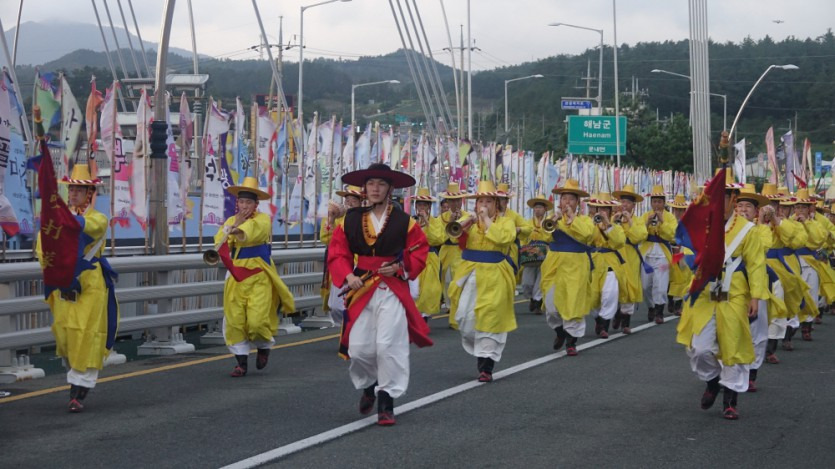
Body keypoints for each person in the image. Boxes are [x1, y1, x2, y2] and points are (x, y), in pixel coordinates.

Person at [327, 163, 431, 426]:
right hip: (360, 287)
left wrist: (400, 266)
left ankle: (387, 401)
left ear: (390, 189)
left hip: (391, 288)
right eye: (371, 183)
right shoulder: (349, 220)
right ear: (365, 188)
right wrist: (348, 276)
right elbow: (338, 252)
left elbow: (419, 251)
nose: (375, 188)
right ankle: (369, 383)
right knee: (360, 347)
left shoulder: (405, 222)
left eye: (381, 184)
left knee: (388, 345)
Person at [675, 171, 767, 420]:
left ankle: (730, 398)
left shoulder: (748, 230)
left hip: (734, 291)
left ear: (733, 200)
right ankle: (713, 381)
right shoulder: (702, 227)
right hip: (704, 292)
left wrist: (756, 297)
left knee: (733, 344)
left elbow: (757, 265)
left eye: (723, 197)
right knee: (699, 348)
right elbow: (688, 260)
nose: (717, 202)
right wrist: (686, 292)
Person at [38, 164, 119, 413]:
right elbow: (43, 247)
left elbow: (85, 227)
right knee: (65, 333)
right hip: (65, 281)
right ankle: (75, 381)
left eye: (78, 190)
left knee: (86, 333)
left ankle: (78, 392)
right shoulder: (58, 219)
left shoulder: (97, 218)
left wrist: (59, 218)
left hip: (89, 282)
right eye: (70, 189)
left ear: (89, 193)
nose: (72, 194)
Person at [216, 177, 295, 378]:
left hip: (259, 272)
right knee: (234, 319)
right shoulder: (230, 220)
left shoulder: (263, 219)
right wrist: (231, 228)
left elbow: (253, 233)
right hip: (236, 273)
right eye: (241, 202)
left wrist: (238, 229)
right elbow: (219, 242)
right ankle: (241, 362)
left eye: (248, 202)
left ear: (255, 204)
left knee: (257, 320)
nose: (244, 206)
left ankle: (263, 346)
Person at [448, 181, 518, 381]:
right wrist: (464, 225)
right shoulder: (468, 220)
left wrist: (487, 220)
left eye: (489, 201)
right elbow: (453, 237)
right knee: (464, 318)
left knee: (491, 317)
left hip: (496, 274)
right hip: (470, 273)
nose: (484, 205)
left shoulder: (505, 222)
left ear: (497, 204)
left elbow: (504, 239)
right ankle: (481, 351)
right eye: (481, 201)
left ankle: (486, 364)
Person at [735, 184, 785, 392]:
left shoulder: (760, 231)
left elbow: (765, 246)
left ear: (756, 212)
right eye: (740, 206)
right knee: (728, 331)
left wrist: (765, 223)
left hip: (756, 283)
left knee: (757, 331)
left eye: (748, 206)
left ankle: (751, 373)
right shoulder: (725, 229)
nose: (743, 210)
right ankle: (726, 374)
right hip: (731, 286)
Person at [541, 179, 594, 356]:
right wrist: (553, 220)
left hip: (576, 265)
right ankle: (560, 331)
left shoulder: (585, 220)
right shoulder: (554, 220)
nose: (567, 203)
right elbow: (543, 236)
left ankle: (572, 342)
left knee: (573, 303)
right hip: (555, 264)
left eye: (571, 199)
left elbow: (587, 235)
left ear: (577, 203)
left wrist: (573, 219)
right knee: (551, 304)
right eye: (564, 199)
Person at [761, 184, 806, 364]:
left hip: (783, 269)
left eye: (777, 205)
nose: (772, 209)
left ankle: (772, 347)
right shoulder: (752, 225)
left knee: (781, 308)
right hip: (757, 267)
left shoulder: (793, 225)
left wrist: (777, 222)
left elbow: (797, 242)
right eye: (768, 205)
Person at [791, 188, 832, 342]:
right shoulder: (789, 222)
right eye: (797, 207)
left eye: (803, 207)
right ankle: (790, 329)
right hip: (792, 262)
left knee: (812, 295)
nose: (799, 210)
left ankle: (807, 327)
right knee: (794, 295)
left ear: (809, 209)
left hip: (810, 263)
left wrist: (807, 225)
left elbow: (818, 240)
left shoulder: (816, 224)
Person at [320, 185, 363, 325]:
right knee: (336, 306)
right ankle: (347, 327)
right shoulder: (337, 218)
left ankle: (352, 330)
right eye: (347, 199)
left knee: (357, 301)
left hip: (358, 264)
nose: (349, 203)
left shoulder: (365, 219)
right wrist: (331, 219)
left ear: (360, 202)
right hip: (340, 264)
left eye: (353, 200)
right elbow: (325, 238)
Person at [587, 192, 627, 339]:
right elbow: (585, 238)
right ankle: (598, 319)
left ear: (610, 211)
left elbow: (619, 242)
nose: (602, 212)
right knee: (592, 297)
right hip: (593, 262)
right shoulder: (588, 223)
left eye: (605, 209)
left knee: (609, 294)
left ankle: (604, 325)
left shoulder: (615, 225)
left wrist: (608, 225)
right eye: (599, 209)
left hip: (610, 262)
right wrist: (593, 224)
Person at [612, 184, 647, 334]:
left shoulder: (637, 220)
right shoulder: (614, 217)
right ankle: (614, 313)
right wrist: (615, 220)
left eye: (628, 202)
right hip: (616, 254)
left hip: (631, 255)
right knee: (614, 286)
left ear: (633, 205)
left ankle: (625, 320)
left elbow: (640, 236)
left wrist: (629, 221)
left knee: (630, 285)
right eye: (622, 202)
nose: (624, 205)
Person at [640, 185, 678, 324]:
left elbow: (672, 235)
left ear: (664, 203)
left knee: (660, 285)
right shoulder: (645, 215)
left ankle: (659, 311)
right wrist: (647, 223)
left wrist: (662, 221)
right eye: (654, 201)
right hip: (647, 255)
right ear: (651, 203)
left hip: (662, 255)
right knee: (645, 285)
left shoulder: (670, 217)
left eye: (659, 202)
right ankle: (651, 306)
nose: (657, 204)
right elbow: (639, 235)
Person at [410, 187, 445, 323]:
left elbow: (438, 239)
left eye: (424, 205)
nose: (421, 207)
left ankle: (423, 316)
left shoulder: (436, 222)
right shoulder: (411, 222)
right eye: (419, 204)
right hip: (413, 258)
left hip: (430, 257)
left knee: (429, 289)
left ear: (429, 206)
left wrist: (427, 222)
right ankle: (413, 316)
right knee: (414, 289)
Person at [438, 182, 470, 325]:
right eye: (452, 201)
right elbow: (438, 237)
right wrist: (449, 223)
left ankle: (459, 312)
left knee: (459, 283)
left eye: (458, 200)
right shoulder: (441, 218)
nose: (455, 203)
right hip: (447, 252)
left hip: (461, 252)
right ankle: (451, 308)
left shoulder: (469, 216)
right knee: (447, 282)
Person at [520, 194, 553, 314]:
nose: (537, 209)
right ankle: (531, 298)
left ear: (545, 209)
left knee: (541, 280)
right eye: (535, 207)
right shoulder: (527, 223)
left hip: (545, 253)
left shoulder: (550, 223)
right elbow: (523, 238)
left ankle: (537, 301)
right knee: (527, 282)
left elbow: (552, 238)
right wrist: (523, 249)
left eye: (540, 207)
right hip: (530, 254)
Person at [497, 182, 532, 276]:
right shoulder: (492, 215)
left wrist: (519, 229)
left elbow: (529, 228)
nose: (499, 202)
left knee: (510, 277)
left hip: (510, 252)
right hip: (495, 252)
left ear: (506, 201)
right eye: (497, 199)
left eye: (501, 199)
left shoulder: (514, 215)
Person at [666, 194, 692, 317]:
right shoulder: (668, 221)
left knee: (681, 278)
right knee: (669, 277)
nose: (679, 212)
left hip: (682, 251)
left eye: (681, 210)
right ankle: (670, 299)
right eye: (676, 209)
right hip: (669, 250)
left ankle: (677, 304)